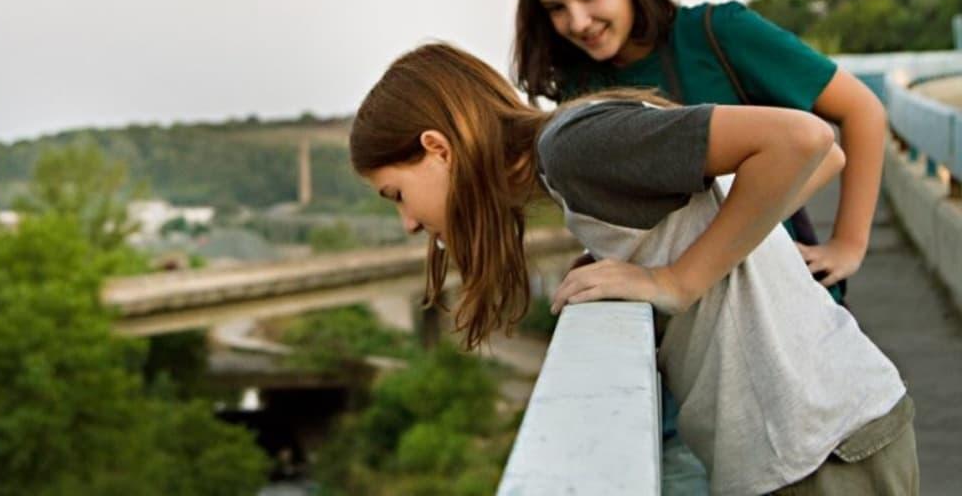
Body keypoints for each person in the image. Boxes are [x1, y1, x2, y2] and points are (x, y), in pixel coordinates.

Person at [349, 43, 917, 495]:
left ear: (437, 148)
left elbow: (805, 141)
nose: (408, 223)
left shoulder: (572, 149)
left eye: (396, 193)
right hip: (830, 433)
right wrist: (705, 246)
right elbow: (821, 162)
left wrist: (677, 279)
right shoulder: (575, 157)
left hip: (816, 450)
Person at [512, 0, 886, 303]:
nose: (578, 21)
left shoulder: (716, 33)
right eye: (556, 9)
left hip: (776, 301)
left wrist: (848, 244)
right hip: (684, 330)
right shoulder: (579, 89)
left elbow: (860, 109)